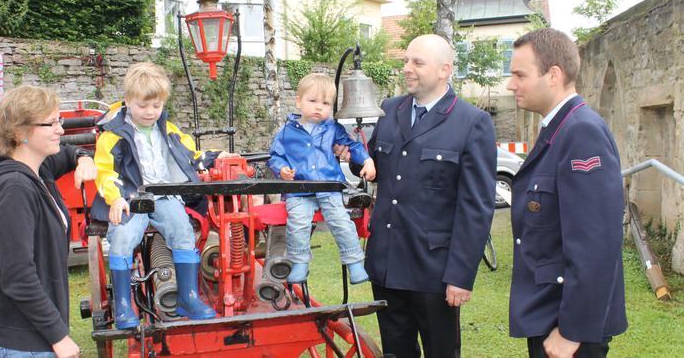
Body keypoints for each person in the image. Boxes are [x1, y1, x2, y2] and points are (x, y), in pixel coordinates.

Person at [362, 34, 496, 358]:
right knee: (396, 353)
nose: (407, 68)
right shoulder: (389, 110)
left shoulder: (471, 122)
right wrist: (352, 155)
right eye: (406, 61)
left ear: (444, 70)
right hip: (387, 264)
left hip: (433, 271)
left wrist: (461, 276)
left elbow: (476, 206)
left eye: (417, 62)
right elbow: (371, 164)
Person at [506, 28, 627, 358]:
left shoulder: (581, 132)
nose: (510, 84)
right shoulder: (558, 128)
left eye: (519, 74)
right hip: (549, 312)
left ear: (553, 75)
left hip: (567, 326)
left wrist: (573, 331)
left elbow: (596, 243)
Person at [91, 62, 238, 327]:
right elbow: (104, 171)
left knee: (182, 230)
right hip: (131, 197)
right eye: (143, 106)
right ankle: (124, 305)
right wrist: (115, 198)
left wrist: (216, 156)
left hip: (164, 195)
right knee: (123, 236)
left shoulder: (168, 130)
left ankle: (188, 297)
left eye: (156, 106)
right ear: (128, 102)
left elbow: (189, 156)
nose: (150, 112)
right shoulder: (112, 136)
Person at [0, 85, 97, 358]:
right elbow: (18, 276)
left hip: (33, 336)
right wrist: (59, 336)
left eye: (60, 120)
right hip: (21, 341)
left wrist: (83, 159)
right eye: (51, 123)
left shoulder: (39, 167)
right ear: (20, 132)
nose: (61, 129)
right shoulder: (15, 189)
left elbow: (68, 152)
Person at [268, 73, 376, 284]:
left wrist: (367, 161)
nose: (319, 107)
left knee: (341, 222)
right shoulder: (286, 132)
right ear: (298, 101)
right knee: (297, 224)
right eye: (313, 101)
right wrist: (281, 169)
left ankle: (354, 262)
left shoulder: (332, 129)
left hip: (328, 187)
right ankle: (299, 263)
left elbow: (353, 146)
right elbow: (275, 156)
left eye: (326, 103)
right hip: (300, 189)